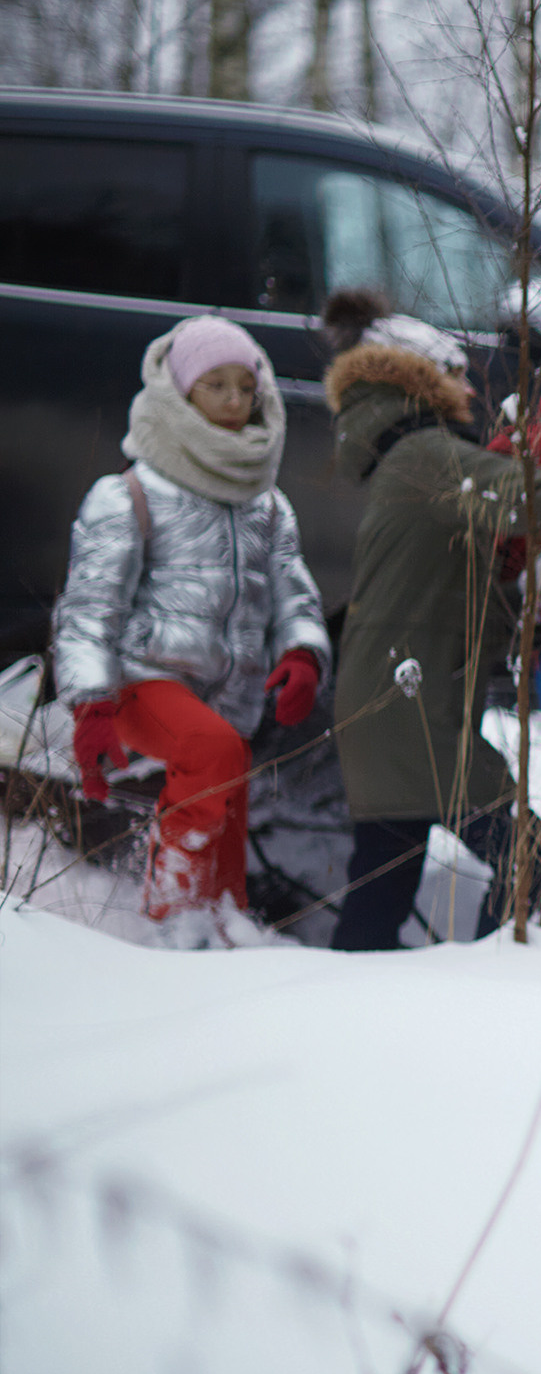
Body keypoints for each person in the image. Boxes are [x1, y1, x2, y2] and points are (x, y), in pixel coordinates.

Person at [321, 291, 541, 949]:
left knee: (381, 891)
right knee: (525, 848)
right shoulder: (425, 458)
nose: (472, 387)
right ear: (421, 382)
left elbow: (454, 582)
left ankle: (360, 1003)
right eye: (456, 373)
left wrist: (525, 584)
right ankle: (487, 975)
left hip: (396, 703)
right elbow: (531, 494)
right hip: (408, 710)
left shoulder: (409, 460)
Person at [53, 316, 329, 934]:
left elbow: (293, 591)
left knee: (227, 801)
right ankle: (170, 917)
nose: (235, 401)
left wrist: (304, 652)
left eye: (245, 386)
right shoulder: (129, 494)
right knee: (214, 751)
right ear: (179, 394)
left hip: (227, 695)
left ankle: (220, 934)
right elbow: (88, 607)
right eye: (215, 386)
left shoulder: (267, 504)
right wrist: (90, 706)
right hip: (140, 679)